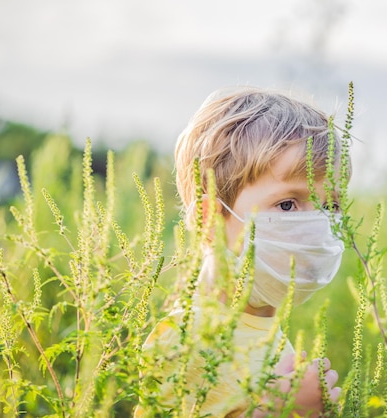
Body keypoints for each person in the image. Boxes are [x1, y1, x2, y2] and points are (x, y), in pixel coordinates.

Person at [134, 86, 348, 417]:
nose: (315, 227)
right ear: (211, 219)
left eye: (330, 205)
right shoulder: (183, 340)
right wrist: (277, 408)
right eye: (288, 204)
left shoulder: (268, 333)